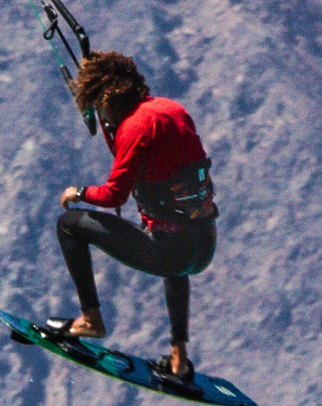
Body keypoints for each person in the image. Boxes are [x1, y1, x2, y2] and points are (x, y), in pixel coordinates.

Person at [49, 51, 217, 382]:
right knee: (171, 235)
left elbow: (114, 195)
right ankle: (179, 359)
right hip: (204, 245)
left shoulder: (133, 128)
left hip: (171, 254)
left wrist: (78, 193)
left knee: (69, 226)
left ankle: (90, 321)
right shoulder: (172, 109)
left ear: (105, 97)